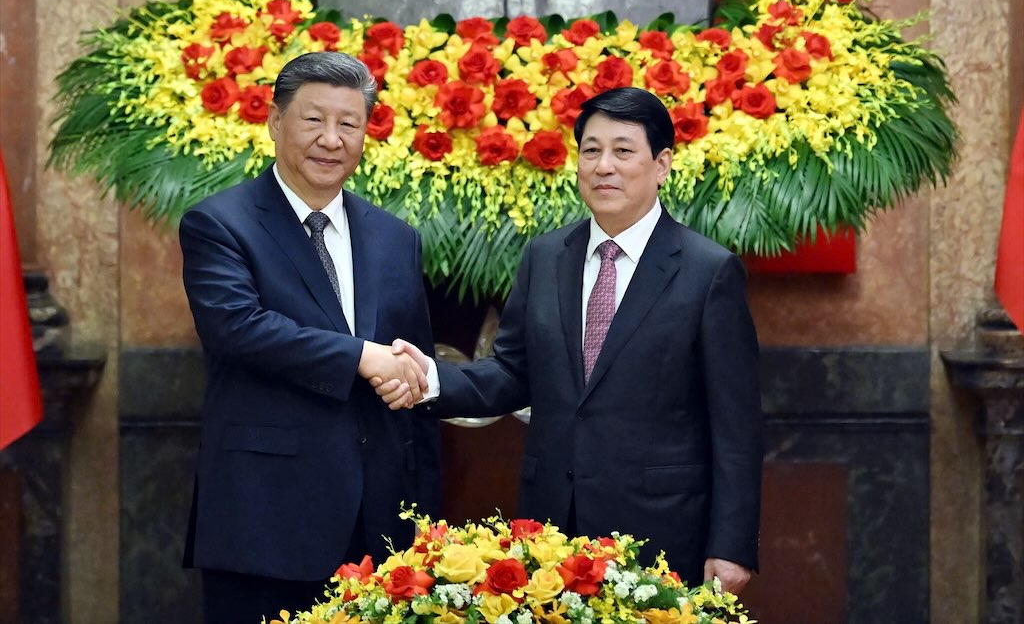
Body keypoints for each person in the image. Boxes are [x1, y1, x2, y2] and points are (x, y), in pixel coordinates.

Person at [378, 87, 762, 593]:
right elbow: (512, 373)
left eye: (623, 151)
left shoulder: (707, 271)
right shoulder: (546, 255)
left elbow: (737, 425)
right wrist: (427, 378)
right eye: (591, 150)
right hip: (551, 529)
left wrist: (731, 545)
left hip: (662, 528)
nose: (604, 166)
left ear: (662, 163)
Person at [179, 51, 440, 623]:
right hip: (265, 518)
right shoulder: (221, 223)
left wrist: (424, 516)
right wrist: (361, 357)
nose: (331, 139)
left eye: (349, 123)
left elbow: (410, 368)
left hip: (380, 526)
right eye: (313, 120)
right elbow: (236, 327)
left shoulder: (396, 238)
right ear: (275, 123)